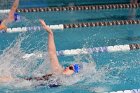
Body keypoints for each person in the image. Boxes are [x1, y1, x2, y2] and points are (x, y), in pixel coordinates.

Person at [0, 19, 81, 84]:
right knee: (8, 80)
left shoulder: (69, 83)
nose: (67, 67)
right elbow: (52, 53)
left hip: (30, 85)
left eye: (70, 68)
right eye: (69, 66)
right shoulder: (58, 70)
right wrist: (50, 33)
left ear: (74, 73)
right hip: (27, 83)